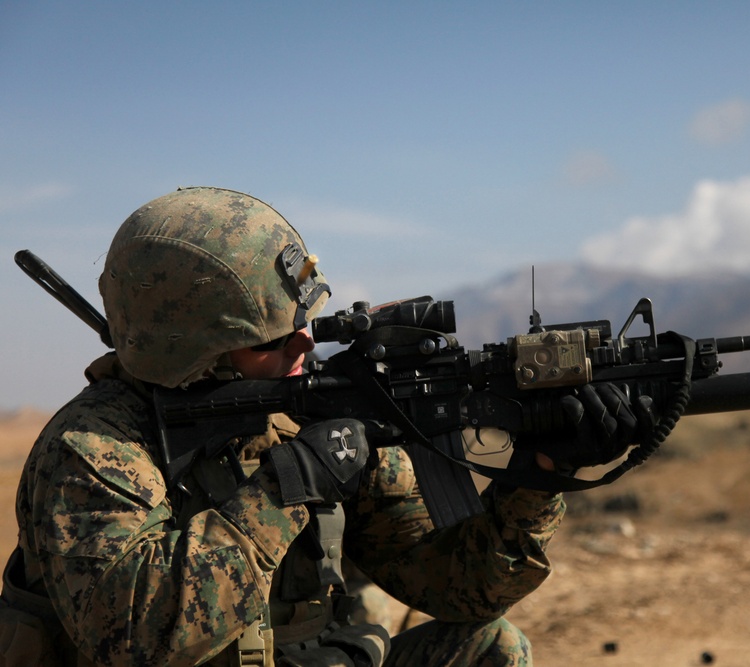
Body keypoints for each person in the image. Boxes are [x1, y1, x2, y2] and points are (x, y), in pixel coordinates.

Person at [0, 186, 652, 666]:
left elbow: (459, 587)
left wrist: (541, 475)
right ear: (193, 352)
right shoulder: (94, 452)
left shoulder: (306, 409)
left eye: (306, 324)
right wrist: (288, 486)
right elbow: (140, 636)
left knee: (491, 647)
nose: (306, 345)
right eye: (275, 339)